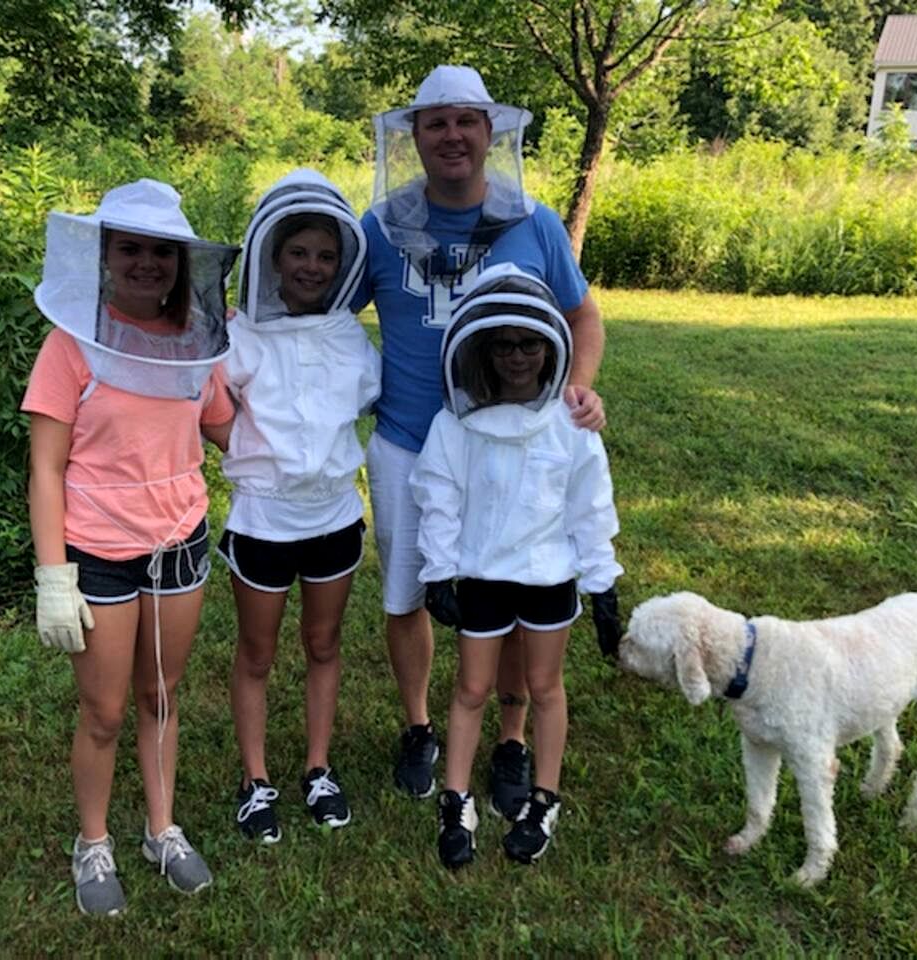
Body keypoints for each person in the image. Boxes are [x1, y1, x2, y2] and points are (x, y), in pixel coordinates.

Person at [351, 64, 613, 811]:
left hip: (517, 445)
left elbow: (582, 316)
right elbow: (322, 301)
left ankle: (510, 740)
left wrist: (578, 387)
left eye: (467, 120)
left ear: (491, 132)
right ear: (415, 137)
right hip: (409, 440)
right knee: (409, 593)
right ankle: (419, 727)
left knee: (516, 581)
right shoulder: (382, 226)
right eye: (436, 123)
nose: (452, 135)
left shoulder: (531, 223)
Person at [24, 179, 239, 915]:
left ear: (183, 262)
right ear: (105, 255)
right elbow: (46, 467)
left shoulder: (197, 345)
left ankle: (161, 828)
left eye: (161, 251)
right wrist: (54, 575)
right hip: (98, 552)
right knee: (105, 710)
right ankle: (93, 842)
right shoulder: (70, 344)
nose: (147, 263)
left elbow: (226, 430)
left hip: (179, 542)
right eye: (131, 248)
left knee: (162, 694)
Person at [410, 264, 623, 868]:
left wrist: (602, 584)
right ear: (481, 346)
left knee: (544, 688)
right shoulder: (455, 425)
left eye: (530, 343)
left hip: (550, 580)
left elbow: (591, 506)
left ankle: (544, 798)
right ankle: (456, 799)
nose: (518, 356)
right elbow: (439, 497)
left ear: (551, 344)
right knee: (472, 688)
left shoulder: (571, 426)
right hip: (482, 577)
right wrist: (438, 572)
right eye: (504, 343)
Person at [216, 169, 381, 842]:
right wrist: (258, 453)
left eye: (324, 255)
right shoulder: (241, 335)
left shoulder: (349, 335)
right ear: (270, 258)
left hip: (334, 517)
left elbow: (364, 402)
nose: (311, 266)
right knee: (256, 652)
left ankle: (318, 766)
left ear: (340, 265)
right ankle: (256, 780)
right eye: (298, 253)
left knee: (323, 643)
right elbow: (208, 409)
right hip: (263, 518)